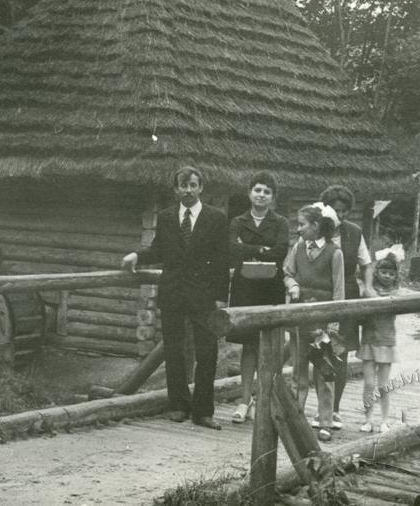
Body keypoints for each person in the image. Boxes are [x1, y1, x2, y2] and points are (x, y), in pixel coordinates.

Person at [121, 166, 229, 430]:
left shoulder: (216, 217)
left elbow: (222, 259)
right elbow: (159, 249)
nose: (188, 190)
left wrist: (220, 297)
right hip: (173, 293)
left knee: (207, 351)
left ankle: (203, 411)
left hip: (203, 296)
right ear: (175, 189)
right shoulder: (168, 217)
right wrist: (138, 255)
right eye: (183, 185)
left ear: (201, 187)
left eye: (193, 185)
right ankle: (178, 405)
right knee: (174, 349)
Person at [227, 171, 289, 424]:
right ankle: (245, 400)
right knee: (248, 345)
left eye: (266, 191)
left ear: (272, 197)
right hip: (245, 287)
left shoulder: (281, 222)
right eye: (257, 190)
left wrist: (248, 249)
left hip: (270, 287)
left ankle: (266, 399)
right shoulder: (237, 221)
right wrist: (259, 250)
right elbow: (232, 248)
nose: (261, 195)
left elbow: (281, 251)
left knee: (270, 345)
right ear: (249, 193)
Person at [283, 203, 344, 441]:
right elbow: (287, 272)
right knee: (298, 372)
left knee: (324, 373)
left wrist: (333, 324)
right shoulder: (298, 247)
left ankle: (325, 422)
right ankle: (297, 419)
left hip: (323, 322)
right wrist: (293, 285)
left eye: (302, 224)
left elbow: (339, 292)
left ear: (316, 226)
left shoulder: (334, 253)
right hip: (300, 319)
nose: (299, 229)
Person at [319, 185, 376, 431]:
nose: (340, 216)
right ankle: (320, 408)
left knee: (339, 353)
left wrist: (369, 287)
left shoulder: (354, 232)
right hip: (322, 295)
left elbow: (367, 263)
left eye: (344, 211)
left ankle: (335, 410)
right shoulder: (318, 230)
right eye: (335, 210)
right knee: (319, 350)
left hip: (348, 297)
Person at [358, 253, 400, 433]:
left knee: (383, 385)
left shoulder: (397, 293)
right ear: (377, 272)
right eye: (383, 271)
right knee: (368, 384)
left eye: (391, 273)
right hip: (369, 340)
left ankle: (384, 420)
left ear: (396, 276)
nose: (387, 276)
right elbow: (367, 294)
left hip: (386, 341)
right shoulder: (368, 291)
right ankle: (368, 419)